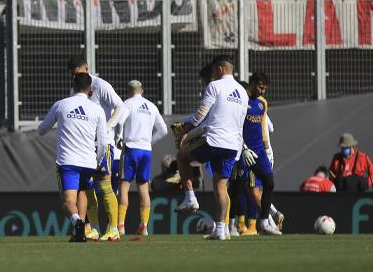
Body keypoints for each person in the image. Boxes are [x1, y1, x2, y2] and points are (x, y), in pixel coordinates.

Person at [176, 57, 247, 241]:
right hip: (233, 146)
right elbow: (240, 121)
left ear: (222, 69)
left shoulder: (215, 86)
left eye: (215, 70)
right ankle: (221, 230)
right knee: (221, 187)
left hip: (214, 141)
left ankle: (190, 197)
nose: (213, 74)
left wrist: (185, 131)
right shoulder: (242, 92)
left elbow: (201, 113)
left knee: (182, 156)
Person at [36, 71, 107, 243]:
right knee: (82, 192)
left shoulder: (62, 105)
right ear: (90, 89)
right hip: (89, 162)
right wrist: (98, 161)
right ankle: (80, 230)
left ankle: (77, 223)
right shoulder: (97, 109)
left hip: (67, 162)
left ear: (73, 85)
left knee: (68, 201)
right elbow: (103, 142)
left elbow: (42, 129)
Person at [68, 55, 122, 240]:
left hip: (103, 144)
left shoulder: (101, 85)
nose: (76, 78)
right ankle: (95, 229)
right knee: (87, 186)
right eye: (73, 75)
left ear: (87, 68)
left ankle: (114, 229)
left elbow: (120, 106)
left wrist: (107, 127)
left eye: (79, 73)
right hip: (85, 146)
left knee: (103, 183)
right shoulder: (74, 90)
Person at [113, 79, 167, 237]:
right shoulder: (151, 106)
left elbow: (120, 122)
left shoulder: (127, 104)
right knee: (144, 188)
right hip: (146, 150)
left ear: (128, 91)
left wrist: (118, 139)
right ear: (142, 90)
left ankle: (121, 225)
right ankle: (144, 225)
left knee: (124, 186)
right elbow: (163, 130)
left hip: (131, 148)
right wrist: (150, 141)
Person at [236, 72, 277, 235]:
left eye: (265, 88)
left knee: (269, 183)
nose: (263, 91)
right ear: (252, 83)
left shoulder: (262, 103)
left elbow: (263, 127)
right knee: (238, 187)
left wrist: (267, 149)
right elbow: (236, 127)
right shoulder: (241, 101)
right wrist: (243, 147)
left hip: (259, 151)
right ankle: (233, 224)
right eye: (261, 87)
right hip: (242, 151)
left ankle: (265, 221)